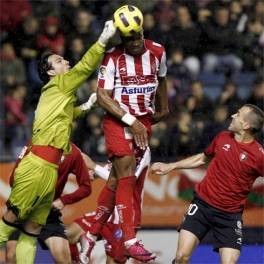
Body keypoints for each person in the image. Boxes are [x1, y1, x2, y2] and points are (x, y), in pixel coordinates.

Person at [0, 20, 116, 264]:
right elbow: (85, 67)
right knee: (9, 221)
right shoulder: (59, 84)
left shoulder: (56, 95)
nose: (67, 62)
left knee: (31, 230)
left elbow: (65, 115)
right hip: (37, 165)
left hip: (48, 169)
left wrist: (83, 107)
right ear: (51, 72)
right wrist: (102, 42)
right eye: (60, 61)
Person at [78, 5, 169, 263]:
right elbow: (103, 96)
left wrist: (162, 109)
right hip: (119, 122)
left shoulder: (158, 51)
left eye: (138, 35)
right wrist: (132, 121)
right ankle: (130, 239)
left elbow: (162, 79)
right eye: (129, 39)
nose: (136, 42)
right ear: (121, 38)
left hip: (143, 122)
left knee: (118, 180)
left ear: (142, 30)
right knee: (126, 171)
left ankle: (91, 232)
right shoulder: (111, 57)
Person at [151, 104, 264, 264]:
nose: (232, 115)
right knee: (182, 256)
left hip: (229, 216)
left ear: (246, 125)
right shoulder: (222, 137)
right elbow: (202, 158)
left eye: (238, 115)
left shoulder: (259, 156)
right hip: (202, 206)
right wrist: (170, 166)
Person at [5, 142, 93, 264]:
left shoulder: (74, 152)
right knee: (11, 255)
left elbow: (86, 187)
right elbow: (12, 180)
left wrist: (63, 200)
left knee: (63, 258)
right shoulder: (33, 144)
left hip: (49, 214)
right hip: (22, 210)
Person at [67, 147, 151, 264]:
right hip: (106, 215)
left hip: (125, 219)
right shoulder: (118, 145)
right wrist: (90, 172)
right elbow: (110, 171)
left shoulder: (143, 152)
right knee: (69, 235)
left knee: (113, 261)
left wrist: (94, 166)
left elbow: (125, 181)